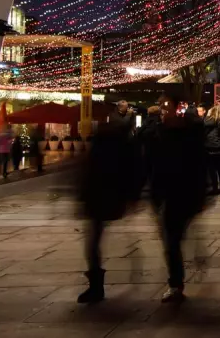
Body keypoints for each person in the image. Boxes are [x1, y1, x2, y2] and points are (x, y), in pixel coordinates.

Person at [151, 94, 207, 303]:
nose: (162, 109)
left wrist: (201, 194)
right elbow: (153, 164)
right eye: (160, 106)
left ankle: (176, 282)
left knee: (172, 240)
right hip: (168, 195)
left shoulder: (189, 134)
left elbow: (199, 166)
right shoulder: (159, 132)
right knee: (171, 241)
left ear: (177, 109)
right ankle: (176, 281)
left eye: (165, 105)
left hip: (184, 193)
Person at [76, 121, 140, 303]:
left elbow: (88, 173)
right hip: (110, 199)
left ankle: (96, 286)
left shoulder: (100, 146)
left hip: (97, 199)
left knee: (93, 242)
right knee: (94, 241)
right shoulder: (125, 147)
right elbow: (133, 172)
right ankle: (96, 285)